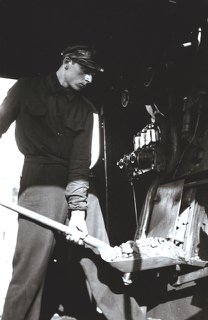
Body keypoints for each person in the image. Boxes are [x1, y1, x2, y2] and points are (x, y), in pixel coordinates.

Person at [0, 45, 147, 320]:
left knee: (102, 258)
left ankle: (132, 318)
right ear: (67, 62)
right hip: (38, 186)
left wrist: (79, 211)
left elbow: (79, 165)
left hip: (75, 186)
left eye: (93, 74)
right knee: (30, 270)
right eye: (85, 71)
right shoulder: (25, 90)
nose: (89, 79)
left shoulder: (84, 109)